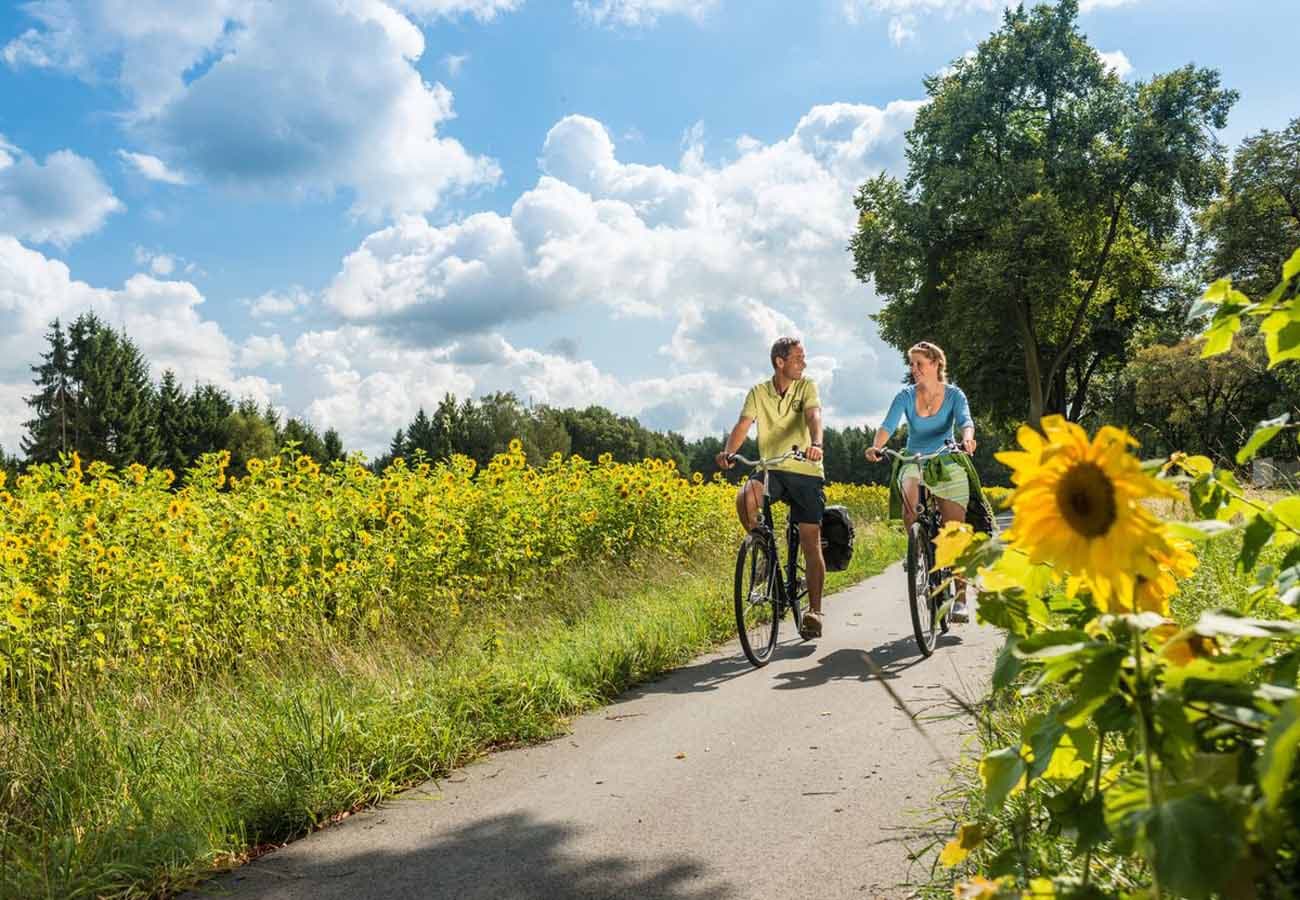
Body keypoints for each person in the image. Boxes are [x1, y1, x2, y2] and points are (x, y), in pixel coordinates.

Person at [715, 337, 828, 639]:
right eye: (798, 358)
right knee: (745, 497)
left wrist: (816, 444)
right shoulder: (759, 392)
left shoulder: (807, 387)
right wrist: (729, 451)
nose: (803, 363)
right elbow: (743, 424)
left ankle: (814, 612)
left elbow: (813, 415)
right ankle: (764, 554)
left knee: (809, 540)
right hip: (772, 469)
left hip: (805, 470)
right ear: (780, 362)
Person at [865, 341, 978, 622]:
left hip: (946, 458)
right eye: (911, 364)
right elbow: (888, 425)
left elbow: (966, 420)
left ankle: (961, 599)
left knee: (955, 533)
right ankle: (917, 549)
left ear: (936, 364)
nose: (913, 369)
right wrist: (876, 445)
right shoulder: (905, 395)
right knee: (909, 502)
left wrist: (967, 439)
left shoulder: (954, 395)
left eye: (919, 364)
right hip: (914, 458)